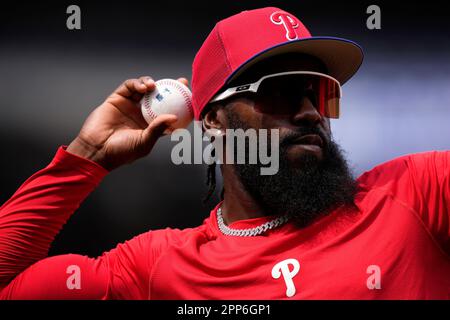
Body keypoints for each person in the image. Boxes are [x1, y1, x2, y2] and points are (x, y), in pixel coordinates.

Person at [0, 7, 448, 300]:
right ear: (213, 120)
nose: (311, 112)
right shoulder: (158, 268)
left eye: (320, 92)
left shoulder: (415, 193)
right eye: (281, 93)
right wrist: (88, 156)